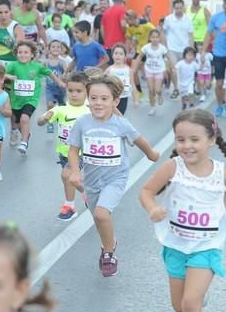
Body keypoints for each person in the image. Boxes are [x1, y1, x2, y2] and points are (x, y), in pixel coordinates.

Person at [139, 109, 226, 312]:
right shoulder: (172, 168)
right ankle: (196, 297)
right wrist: (152, 208)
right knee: (179, 305)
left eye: (194, 139)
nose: (187, 146)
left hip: (207, 247)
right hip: (175, 244)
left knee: (191, 303)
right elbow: (146, 191)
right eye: (181, 140)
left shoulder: (224, 172)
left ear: (211, 139)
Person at [67, 73, 160, 277]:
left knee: (101, 214)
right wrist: (75, 172)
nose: (98, 103)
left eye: (104, 99)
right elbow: (73, 150)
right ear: (87, 99)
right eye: (93, 98)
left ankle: (108, 253)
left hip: (115, 178)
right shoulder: (82, 123)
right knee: (99, 219)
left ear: (115, 101)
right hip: (91, 180)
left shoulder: (120, 124)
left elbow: (139, 139)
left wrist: (151, 154)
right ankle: (109, 241)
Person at [38, 71, 90, 221]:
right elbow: (40, 122)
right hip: (64, 152)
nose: (74, 94)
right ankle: (87, 193)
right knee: (71, 179)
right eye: (70, 90)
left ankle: (70, 206)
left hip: (81, 153)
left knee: (67, 175)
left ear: (87, 91)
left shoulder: (90, 110)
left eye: (79, 91)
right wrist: (44, 118)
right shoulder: (61, 109)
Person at [5, 41, 64, 155]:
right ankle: (26, 134)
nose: (23, 55)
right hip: (16, 100)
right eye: (20, 52)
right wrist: (10, 76)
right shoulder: (13, 65)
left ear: (32, 54)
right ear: (16, 54)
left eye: (26, 52)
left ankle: (24, 142)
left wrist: (58, 81)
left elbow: (49, 73)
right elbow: (2, 74)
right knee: (18, 124)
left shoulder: (37, 66)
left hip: (31, 99)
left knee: (24, 119)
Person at [163, 0, 194, 99]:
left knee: (185, 70)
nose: (178, 10)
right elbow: (163, 33)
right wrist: (165, 48)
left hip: (185, 49)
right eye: (176, 8)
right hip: (172, 49)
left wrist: (192, 49)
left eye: (180, 8)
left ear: (183, 8)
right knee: (174, 70)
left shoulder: (188, 19)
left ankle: (185, 90)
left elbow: (190, 34)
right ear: (173, 8)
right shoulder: (168, 19)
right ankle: (176, 89)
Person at [137, 29, 170, 115]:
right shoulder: (146, 47)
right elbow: (139, 57)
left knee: (157, 89)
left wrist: (171, 67)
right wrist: (135, 67)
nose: (155, 39)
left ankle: (159, 94)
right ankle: (152, 108)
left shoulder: (162, 48)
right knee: (151, 90)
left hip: (159, 70)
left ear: (159, 38)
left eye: (157, 37)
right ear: (150, 38)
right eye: (153, 37)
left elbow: (168, 57)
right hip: (149, 70)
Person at [44, 40, 71, 130]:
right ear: (49, 49)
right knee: (50, 104)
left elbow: (67, 72)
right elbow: (40, 71)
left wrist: (63, 77)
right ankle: (50, 121)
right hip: (50, 88)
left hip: (61, 88)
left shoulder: (62, 62)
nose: (55, 48)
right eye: (53, 47)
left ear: (62, 50)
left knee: (62, 106)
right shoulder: (46, 62)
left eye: (58, 47)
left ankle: (62, 122)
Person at [106, 43, 134, 114]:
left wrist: (136, 99)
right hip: (112, 97)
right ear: (112, 55)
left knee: (120, 115)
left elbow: (132, 84)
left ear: (125, 56)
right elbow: (104, 84)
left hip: (124, 97)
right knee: (111, 115)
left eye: (121, 54)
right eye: (116, 53)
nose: (118, 55)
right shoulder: (109, 70)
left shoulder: (128, 70)